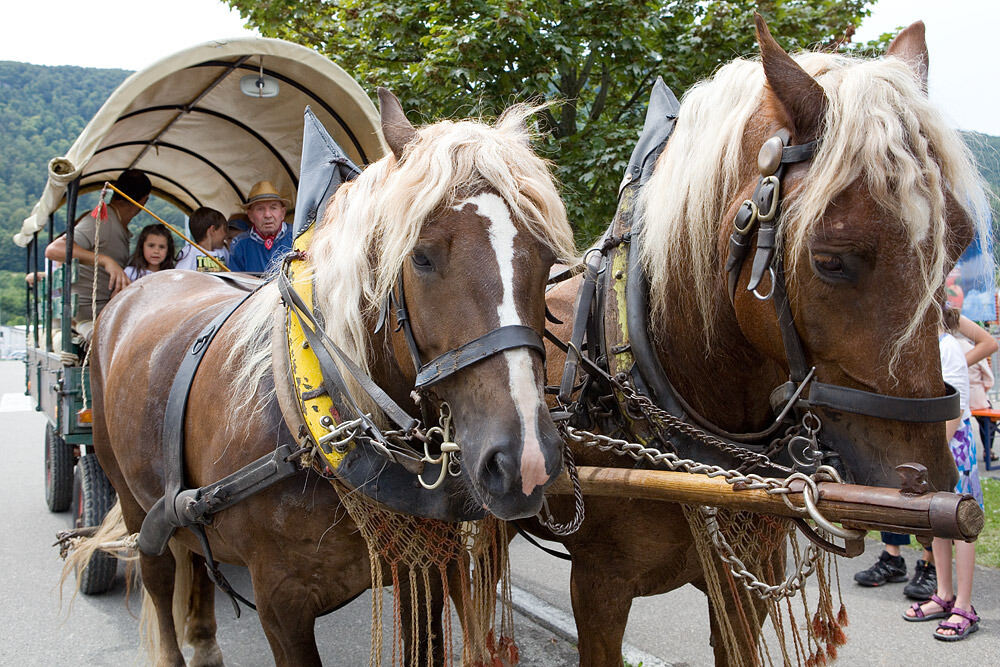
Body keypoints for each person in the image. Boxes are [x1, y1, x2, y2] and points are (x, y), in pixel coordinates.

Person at [902, 303, 985, 641]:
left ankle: (964, 606)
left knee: (961, 525)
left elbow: (955, 406)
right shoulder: (925, 347)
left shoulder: (948, 347)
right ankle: (944, 594)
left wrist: (938, 451)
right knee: (937, 519)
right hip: (933, 446)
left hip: (953, 448)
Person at [44, 169, 151, 339]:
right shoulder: (103, 219)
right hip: (90, 311)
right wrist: (106, 261)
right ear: (144, 200)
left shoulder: (117, 224)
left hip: (105, 307)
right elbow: (54, 250)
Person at [227, 181, 292, 273]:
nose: (267, 215)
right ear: (250, 215)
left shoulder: (297, 237)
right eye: (260, 209)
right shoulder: (240, 244)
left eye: (273, 208)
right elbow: (235, 279)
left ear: (283, 213)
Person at [175, 207, 229, 272]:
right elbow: (180, 275)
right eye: (224, 229)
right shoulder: (189, 252)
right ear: (213, 230)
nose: (226, 235)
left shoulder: (223, 251)